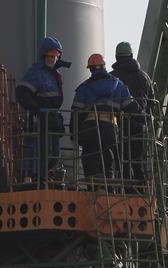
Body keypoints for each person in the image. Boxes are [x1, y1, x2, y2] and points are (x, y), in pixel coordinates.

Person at [70, 55, 138, 184]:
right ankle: (109, 188)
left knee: (90, 159)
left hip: (90, 128)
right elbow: (132, 107)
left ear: (90, 69)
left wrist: (74, 133)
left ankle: (94, 190)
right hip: (110, 128)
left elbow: (76, 113)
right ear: (104, 67)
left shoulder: (84, 88)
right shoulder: (118, 85)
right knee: (108, 159)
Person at [16, 37, 67, 185]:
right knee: (36, 149)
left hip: (52, 118)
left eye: (55, 57)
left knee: (54, 153)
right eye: (50, 57)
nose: (52, 59)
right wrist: (35, 109)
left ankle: (44, 175)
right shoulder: (36, 73)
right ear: (43, 56)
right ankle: (30, 177)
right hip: (39, 118)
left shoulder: (55, 74)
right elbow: (22, 91)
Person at [110, 41, 157, 186]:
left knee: (120, 160)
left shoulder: (112, 77)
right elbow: (152, 103)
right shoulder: (144, 77)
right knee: (137, 161)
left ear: (117, 57)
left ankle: (124, 189)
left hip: (118, 125)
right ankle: (142, 191)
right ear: (131, 55)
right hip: (139, 124)